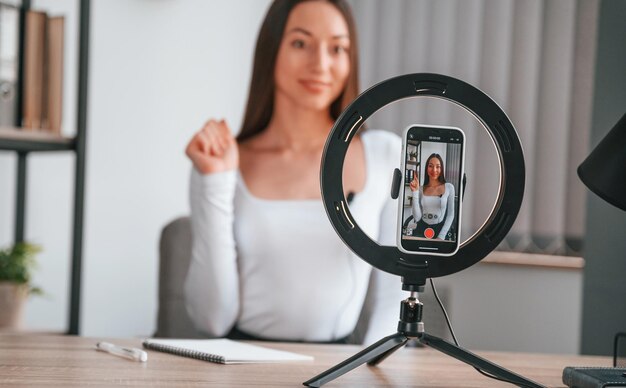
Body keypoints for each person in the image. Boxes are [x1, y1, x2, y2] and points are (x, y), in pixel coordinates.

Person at [184, 0, 403, 344]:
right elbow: (211, 319)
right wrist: (214, 181)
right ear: (271, 51)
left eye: (337, 48)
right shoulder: (224, 162)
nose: (321, 64)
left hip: (342, 367)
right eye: (301, 43)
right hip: (244, 362)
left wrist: (373, 372)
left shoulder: (385, 154)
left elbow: (396, 297)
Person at [409, 153, 456, 240]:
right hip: (421, 230)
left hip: (440, 231)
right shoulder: (420, 189)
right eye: (430, 166)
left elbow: (450, 215)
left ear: (441, 169)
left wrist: (441, 236)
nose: (434, 170)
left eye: (438, 166)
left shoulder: (449, 187)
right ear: (427, 168)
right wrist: (415, 192)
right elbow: (417, 217)